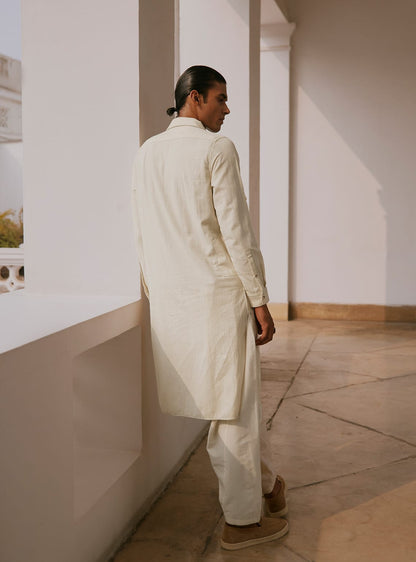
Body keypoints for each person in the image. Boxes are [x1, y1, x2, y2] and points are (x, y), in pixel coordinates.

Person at [131, 65, 288, 551]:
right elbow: (237, 233)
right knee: (235, 410)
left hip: (174, 302)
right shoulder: (216, 148)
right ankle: (241, 524)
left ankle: (267, 489)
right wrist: (259, 300)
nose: (227, 108)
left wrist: (158, 294)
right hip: (219, 298)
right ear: (194, 98)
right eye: (221, 98)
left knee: (235, 402)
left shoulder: (147, 152)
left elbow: (141, 232)